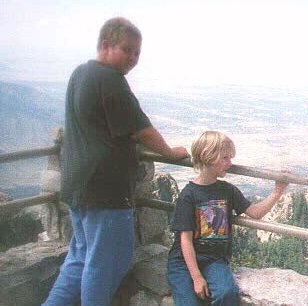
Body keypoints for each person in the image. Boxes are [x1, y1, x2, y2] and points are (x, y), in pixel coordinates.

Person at [42, 17, 189, 306]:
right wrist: (170, 153)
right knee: (106, 263)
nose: (133, 58)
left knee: (81, 258)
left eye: (137, 53)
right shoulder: (110, 81)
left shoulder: (81, 73)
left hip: (77, 186)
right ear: (105, 45)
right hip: (104, 191)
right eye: (127, 50)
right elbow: (142, 129)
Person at [167, 131, 289, 306]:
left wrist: (278, 190)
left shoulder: (227, 190)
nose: (230, 164)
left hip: (215, 260)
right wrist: (196, 277)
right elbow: (184, 239)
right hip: (183, 263)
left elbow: (255, 213)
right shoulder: (189, 195)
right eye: (225, 158)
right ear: (207, 157)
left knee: (227, 294)